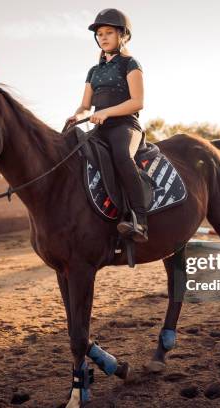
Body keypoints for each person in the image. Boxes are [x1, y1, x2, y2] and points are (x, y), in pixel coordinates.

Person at [66, 8, 148, 243]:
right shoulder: (94, 71)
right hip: (100, 128)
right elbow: (85, 105)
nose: (102, 37)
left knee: (122, 156)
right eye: (99, 33)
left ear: (123, 36)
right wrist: (77, 115)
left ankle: (140, 220)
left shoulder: (130, 64)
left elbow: (137, 102)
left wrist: (106, 112)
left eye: (108, 32)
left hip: (126, 126)